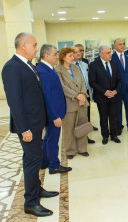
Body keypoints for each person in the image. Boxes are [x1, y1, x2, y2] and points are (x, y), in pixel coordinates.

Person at [2, 32, 58, 217]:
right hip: (28, 125)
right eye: (34, 45)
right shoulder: (12, 67)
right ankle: (31, 202)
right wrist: (24, 128)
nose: (36, 48)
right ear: (23, 45)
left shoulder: (28, 65)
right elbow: (15, 102)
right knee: (33, 160)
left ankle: (37, 188)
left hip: (36, 122)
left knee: (33, 157)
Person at [37, 44, 72, 174]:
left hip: (54, 111)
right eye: (55, 54)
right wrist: (54, 116)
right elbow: (47, 96)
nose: (57, 57)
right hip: (53, 113)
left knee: (48, 137)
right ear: (46, 56)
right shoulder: (43, 71)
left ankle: (45, 161)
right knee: (53, 139)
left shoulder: (48, 68)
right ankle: (54, 165)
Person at [55, 47, 90, 159]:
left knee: (82, 125)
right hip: (69, 103)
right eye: (70, 55)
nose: (73, 57)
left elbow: (83, 82)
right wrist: (76, 95)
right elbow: (62, 87)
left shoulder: (75, 68)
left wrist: (83, 95)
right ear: (63, 57)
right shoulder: (58, 70)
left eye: (73, 55)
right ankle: (70, 151)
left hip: (82, 102)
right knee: (69, 128)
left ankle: (82, 148)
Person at [89, 45, 122, 144]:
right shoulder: (94, 65)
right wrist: (104, 92)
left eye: (110, 52)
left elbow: (119, 80)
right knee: (103, 117)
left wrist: (115, 91)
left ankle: (114, 135)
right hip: (101, 97)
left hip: (113, 96)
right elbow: (92, 82)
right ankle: (105, 136)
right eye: (108, 53)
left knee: (113, 117)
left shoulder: (114, 63)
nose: (110, 54)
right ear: (101, 54)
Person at [112, 38, 128, 135]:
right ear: (115, 46)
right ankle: (119, 127)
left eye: (123, 44)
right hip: (117, 89)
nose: (122, 46)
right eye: (120, 44)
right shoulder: (112, 57)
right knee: (118, 109)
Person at [73, 45, 96, 144]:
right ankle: (76, 140)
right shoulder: (69, 66)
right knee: (77, 119)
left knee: (86, 116)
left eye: (81, 51)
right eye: (77, 51)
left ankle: (85, 137)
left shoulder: (84, 64)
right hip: (76, 96)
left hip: (86, 93)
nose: (80, 53)